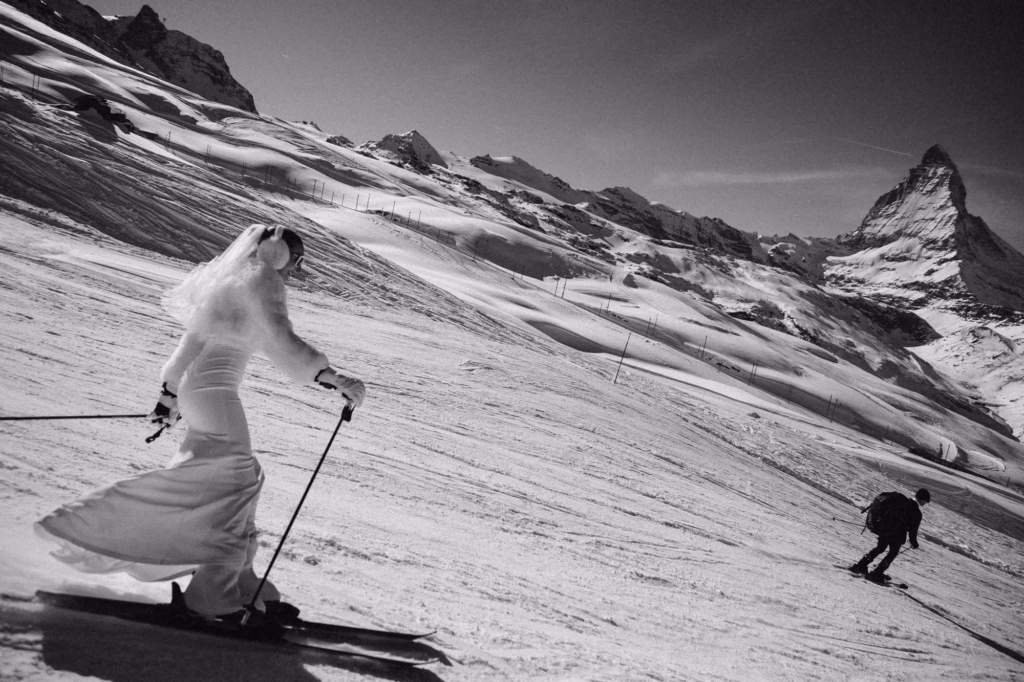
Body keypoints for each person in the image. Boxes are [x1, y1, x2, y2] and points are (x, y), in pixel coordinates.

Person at [36, 225, 365, 623]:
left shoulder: (232, 279)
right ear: (277, 255)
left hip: (201, 391)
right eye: (295, 260)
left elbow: (189, 345)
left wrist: (171, 396)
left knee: (244, 477)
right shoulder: (264, 280)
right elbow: (282, 340)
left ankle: (241, 583)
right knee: (238, 478)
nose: (295, 269)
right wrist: (332, 377)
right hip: (214, 389)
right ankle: (214, 595)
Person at [850, 488, 930, 583]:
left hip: (885, 528)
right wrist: (914, 543)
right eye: (926, 501)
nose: (925, 503)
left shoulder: (901, 501)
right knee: (892, 553)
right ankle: (877, 573)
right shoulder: (916, 512)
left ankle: (861, 565)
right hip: (897, 535)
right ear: (922, 499)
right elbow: (913, 530)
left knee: (880, 548)